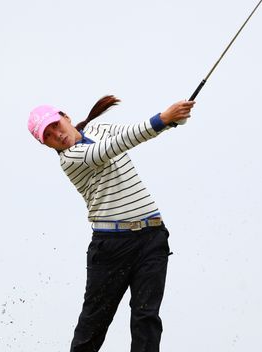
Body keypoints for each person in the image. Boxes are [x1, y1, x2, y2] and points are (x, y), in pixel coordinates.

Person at [27, 95, 195, 352]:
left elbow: (130, 132)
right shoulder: (71, 159)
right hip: (111, 248)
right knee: (93, 326)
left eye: (56, 126)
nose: (57, 135)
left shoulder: (97, 128)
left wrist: (172, 121)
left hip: (152, 238)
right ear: (45, 144)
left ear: (66, 117)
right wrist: (162, 119)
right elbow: (111, 147)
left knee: (146, 318)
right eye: (48, 136)